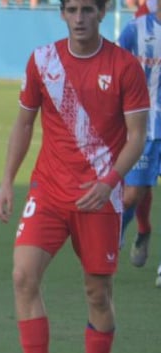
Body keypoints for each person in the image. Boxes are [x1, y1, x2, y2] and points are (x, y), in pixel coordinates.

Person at [0, 0, 148, 353]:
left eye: (87, 10)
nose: (79, 19)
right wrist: (8, 181)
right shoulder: (42, 61)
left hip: (99, 196)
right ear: (62, 14)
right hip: (48, 191)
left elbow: (137, 136)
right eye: (72, 10)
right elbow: (24, 122)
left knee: (97, 293)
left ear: (103, 13)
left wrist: (109, 183)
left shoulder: (124, 66)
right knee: (23, 276)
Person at [117, 0, 160, 274]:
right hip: (143, 126)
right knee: (132, 194)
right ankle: (115, 240)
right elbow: (113, 67)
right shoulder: (136, 29)